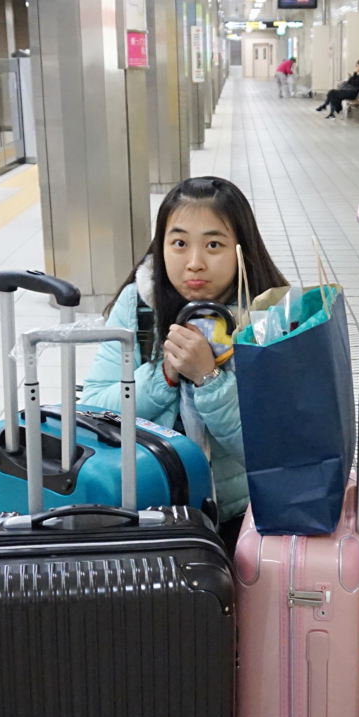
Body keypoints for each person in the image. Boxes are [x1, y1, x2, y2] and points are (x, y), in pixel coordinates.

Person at [82, 176, 287, 555]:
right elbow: (95, 411)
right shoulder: (140, 306)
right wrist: (164, 374)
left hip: (244, 522)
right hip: (146, 512)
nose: (194, 263)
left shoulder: (269, 318)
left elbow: (276, 452)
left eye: (213, 245)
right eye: (179, 243)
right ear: (161, 248)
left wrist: (209, 379)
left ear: (242, 248)